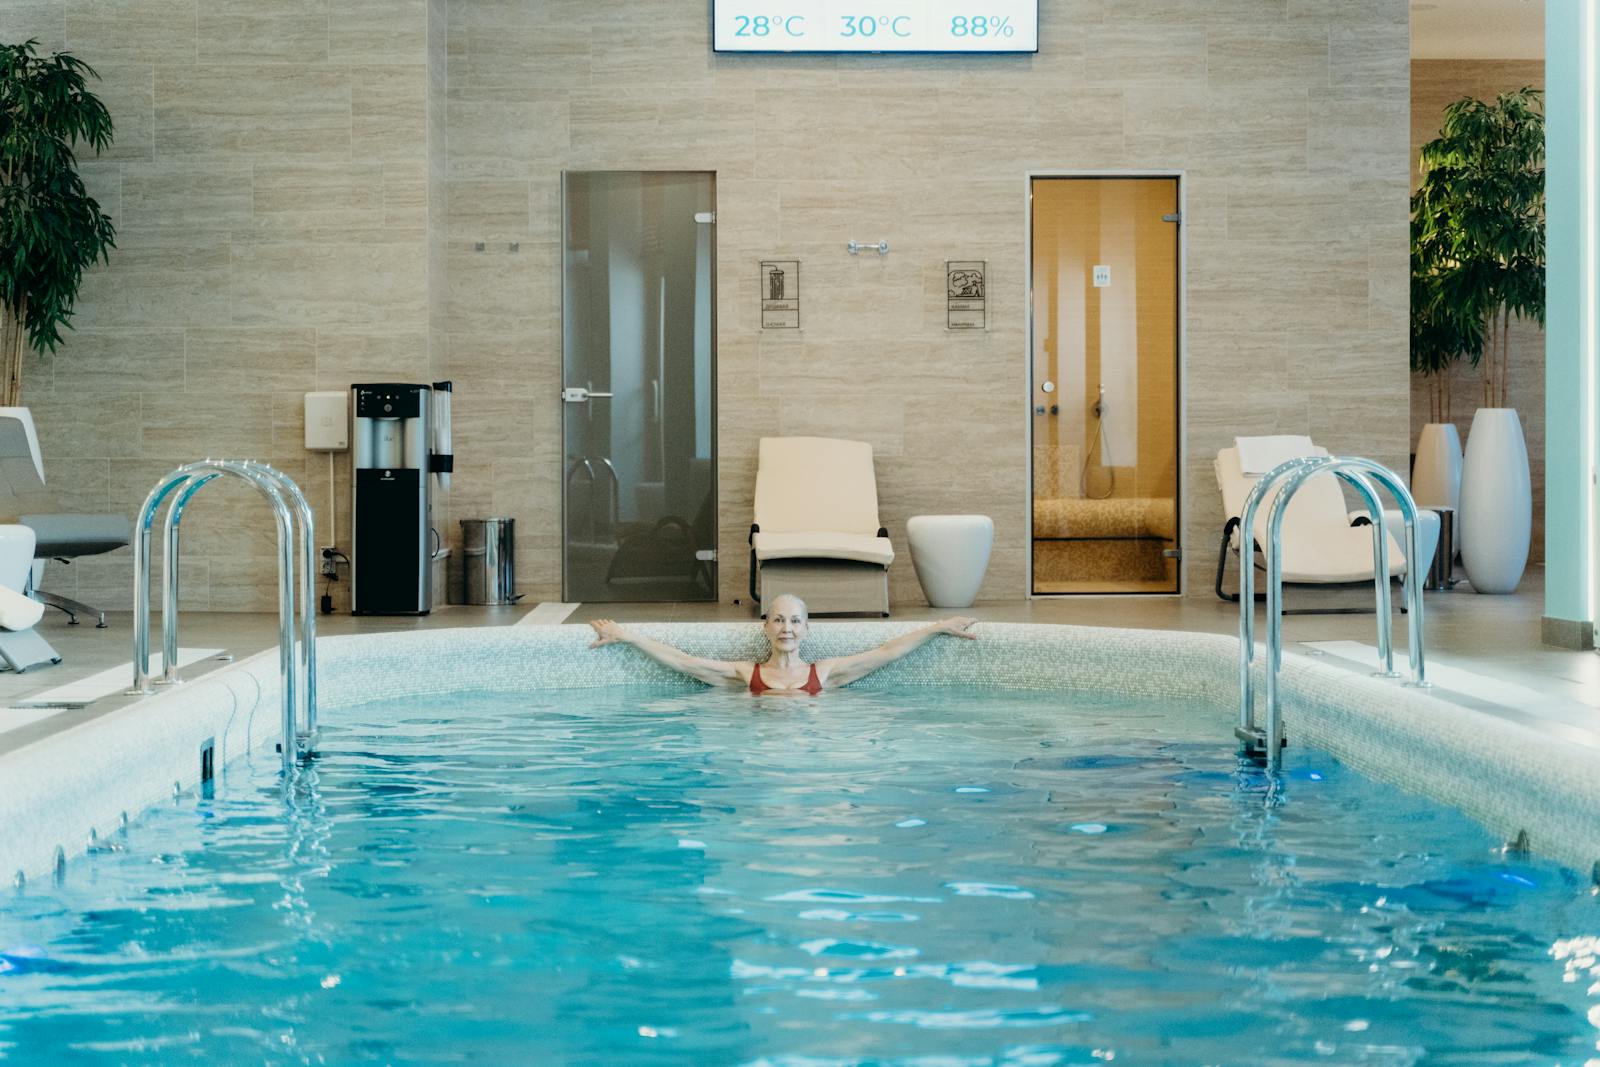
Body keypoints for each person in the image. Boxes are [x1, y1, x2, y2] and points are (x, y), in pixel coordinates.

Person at [586, 593, 977, 695]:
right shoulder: (747, 674)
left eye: (794, 621)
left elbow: (885, 653)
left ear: (806, 629)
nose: (786, 627)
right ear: (766, 628)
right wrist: (626, 635)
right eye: (778, 619)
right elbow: (686, 663)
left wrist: (938, 625)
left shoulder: (823, 674)